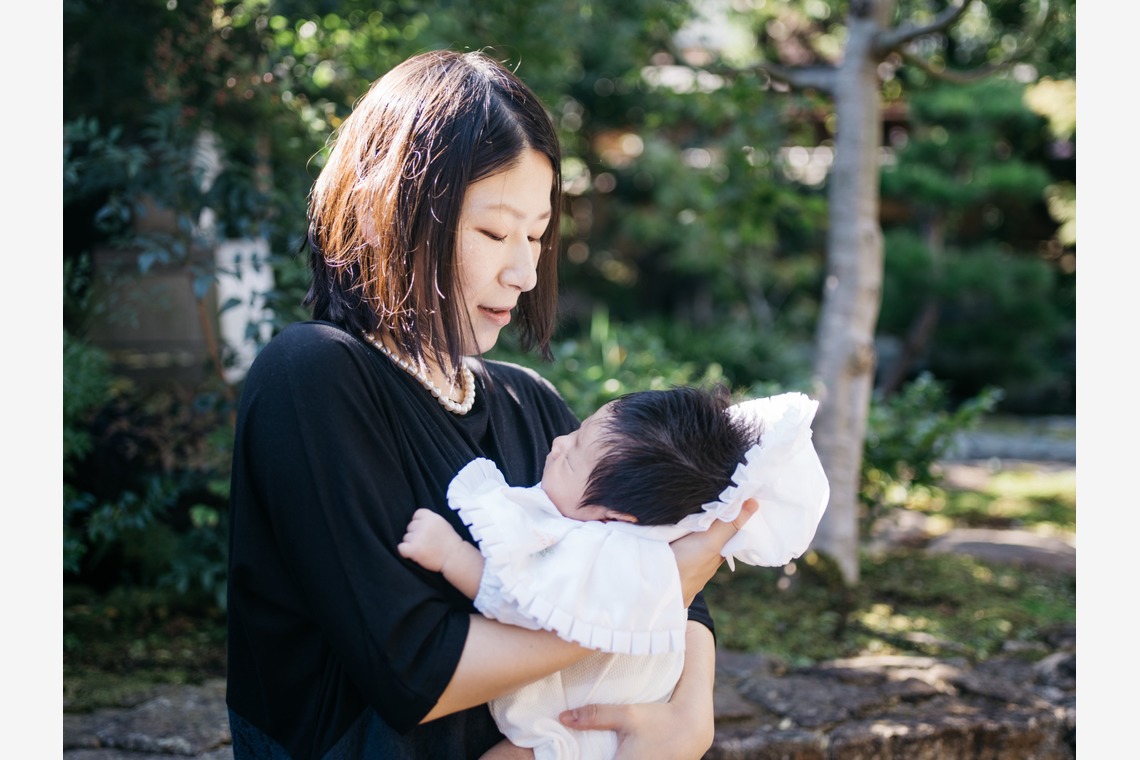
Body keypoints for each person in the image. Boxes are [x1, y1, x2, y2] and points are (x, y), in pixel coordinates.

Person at [225, 49, 751, 759]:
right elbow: (416, 671)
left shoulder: (532, 406)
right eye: (494, 233)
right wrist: (636, 600)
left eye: (535, 235)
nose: (525, 270)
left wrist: (691, 719)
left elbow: (665, 566)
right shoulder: (313, 377)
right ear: (393, 214)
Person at [398, 388, 830, 759]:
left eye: (571, 459)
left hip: (588, 736)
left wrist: (452, 555)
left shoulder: (605, 553)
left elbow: (525, 603)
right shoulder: (650, 537)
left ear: (615, 518)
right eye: (575, 432)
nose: (558, 443)